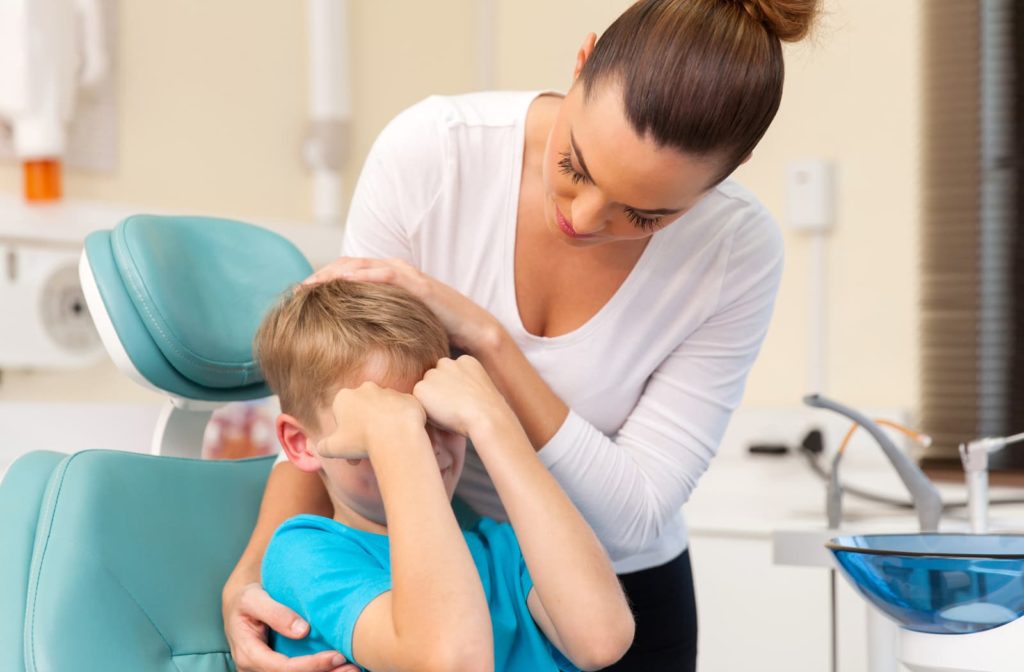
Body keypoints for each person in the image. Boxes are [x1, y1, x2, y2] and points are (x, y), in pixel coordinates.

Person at [222, 1, 819, 670]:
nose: (585, 217)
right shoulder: (435, 155)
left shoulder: (735, 253)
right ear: (582, 61)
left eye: (645, 214)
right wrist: (251, 577)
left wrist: (488, 350)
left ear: (720, 182)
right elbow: (333, 401)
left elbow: (628, 529)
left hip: (579, 578)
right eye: (575, 165)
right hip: (463, 562)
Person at [255, 279, 634, 672]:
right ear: (301, 443)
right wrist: (396, 439)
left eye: (440, 417)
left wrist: (492, 420)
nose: (430, 445)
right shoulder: (304, 554)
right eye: (392, 419)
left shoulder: (504, 550)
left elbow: (601, 640)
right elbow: (451, 662)